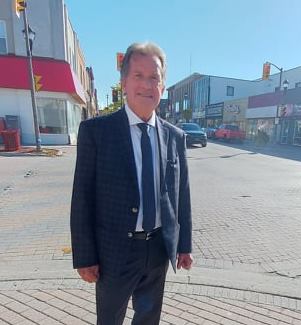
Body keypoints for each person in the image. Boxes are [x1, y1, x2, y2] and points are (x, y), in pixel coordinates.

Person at [70, 42, 193, 324]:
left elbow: (181, 196)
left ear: (162, 86)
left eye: (155, 78)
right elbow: (82, 198)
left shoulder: (175, 137)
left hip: (158, 250)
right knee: (110, 320)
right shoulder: (96, 133)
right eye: (139, 76)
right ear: (124, 82)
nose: (147, 85)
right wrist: (84, 256)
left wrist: (183, 244)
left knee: (149, 318)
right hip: (113, 252)